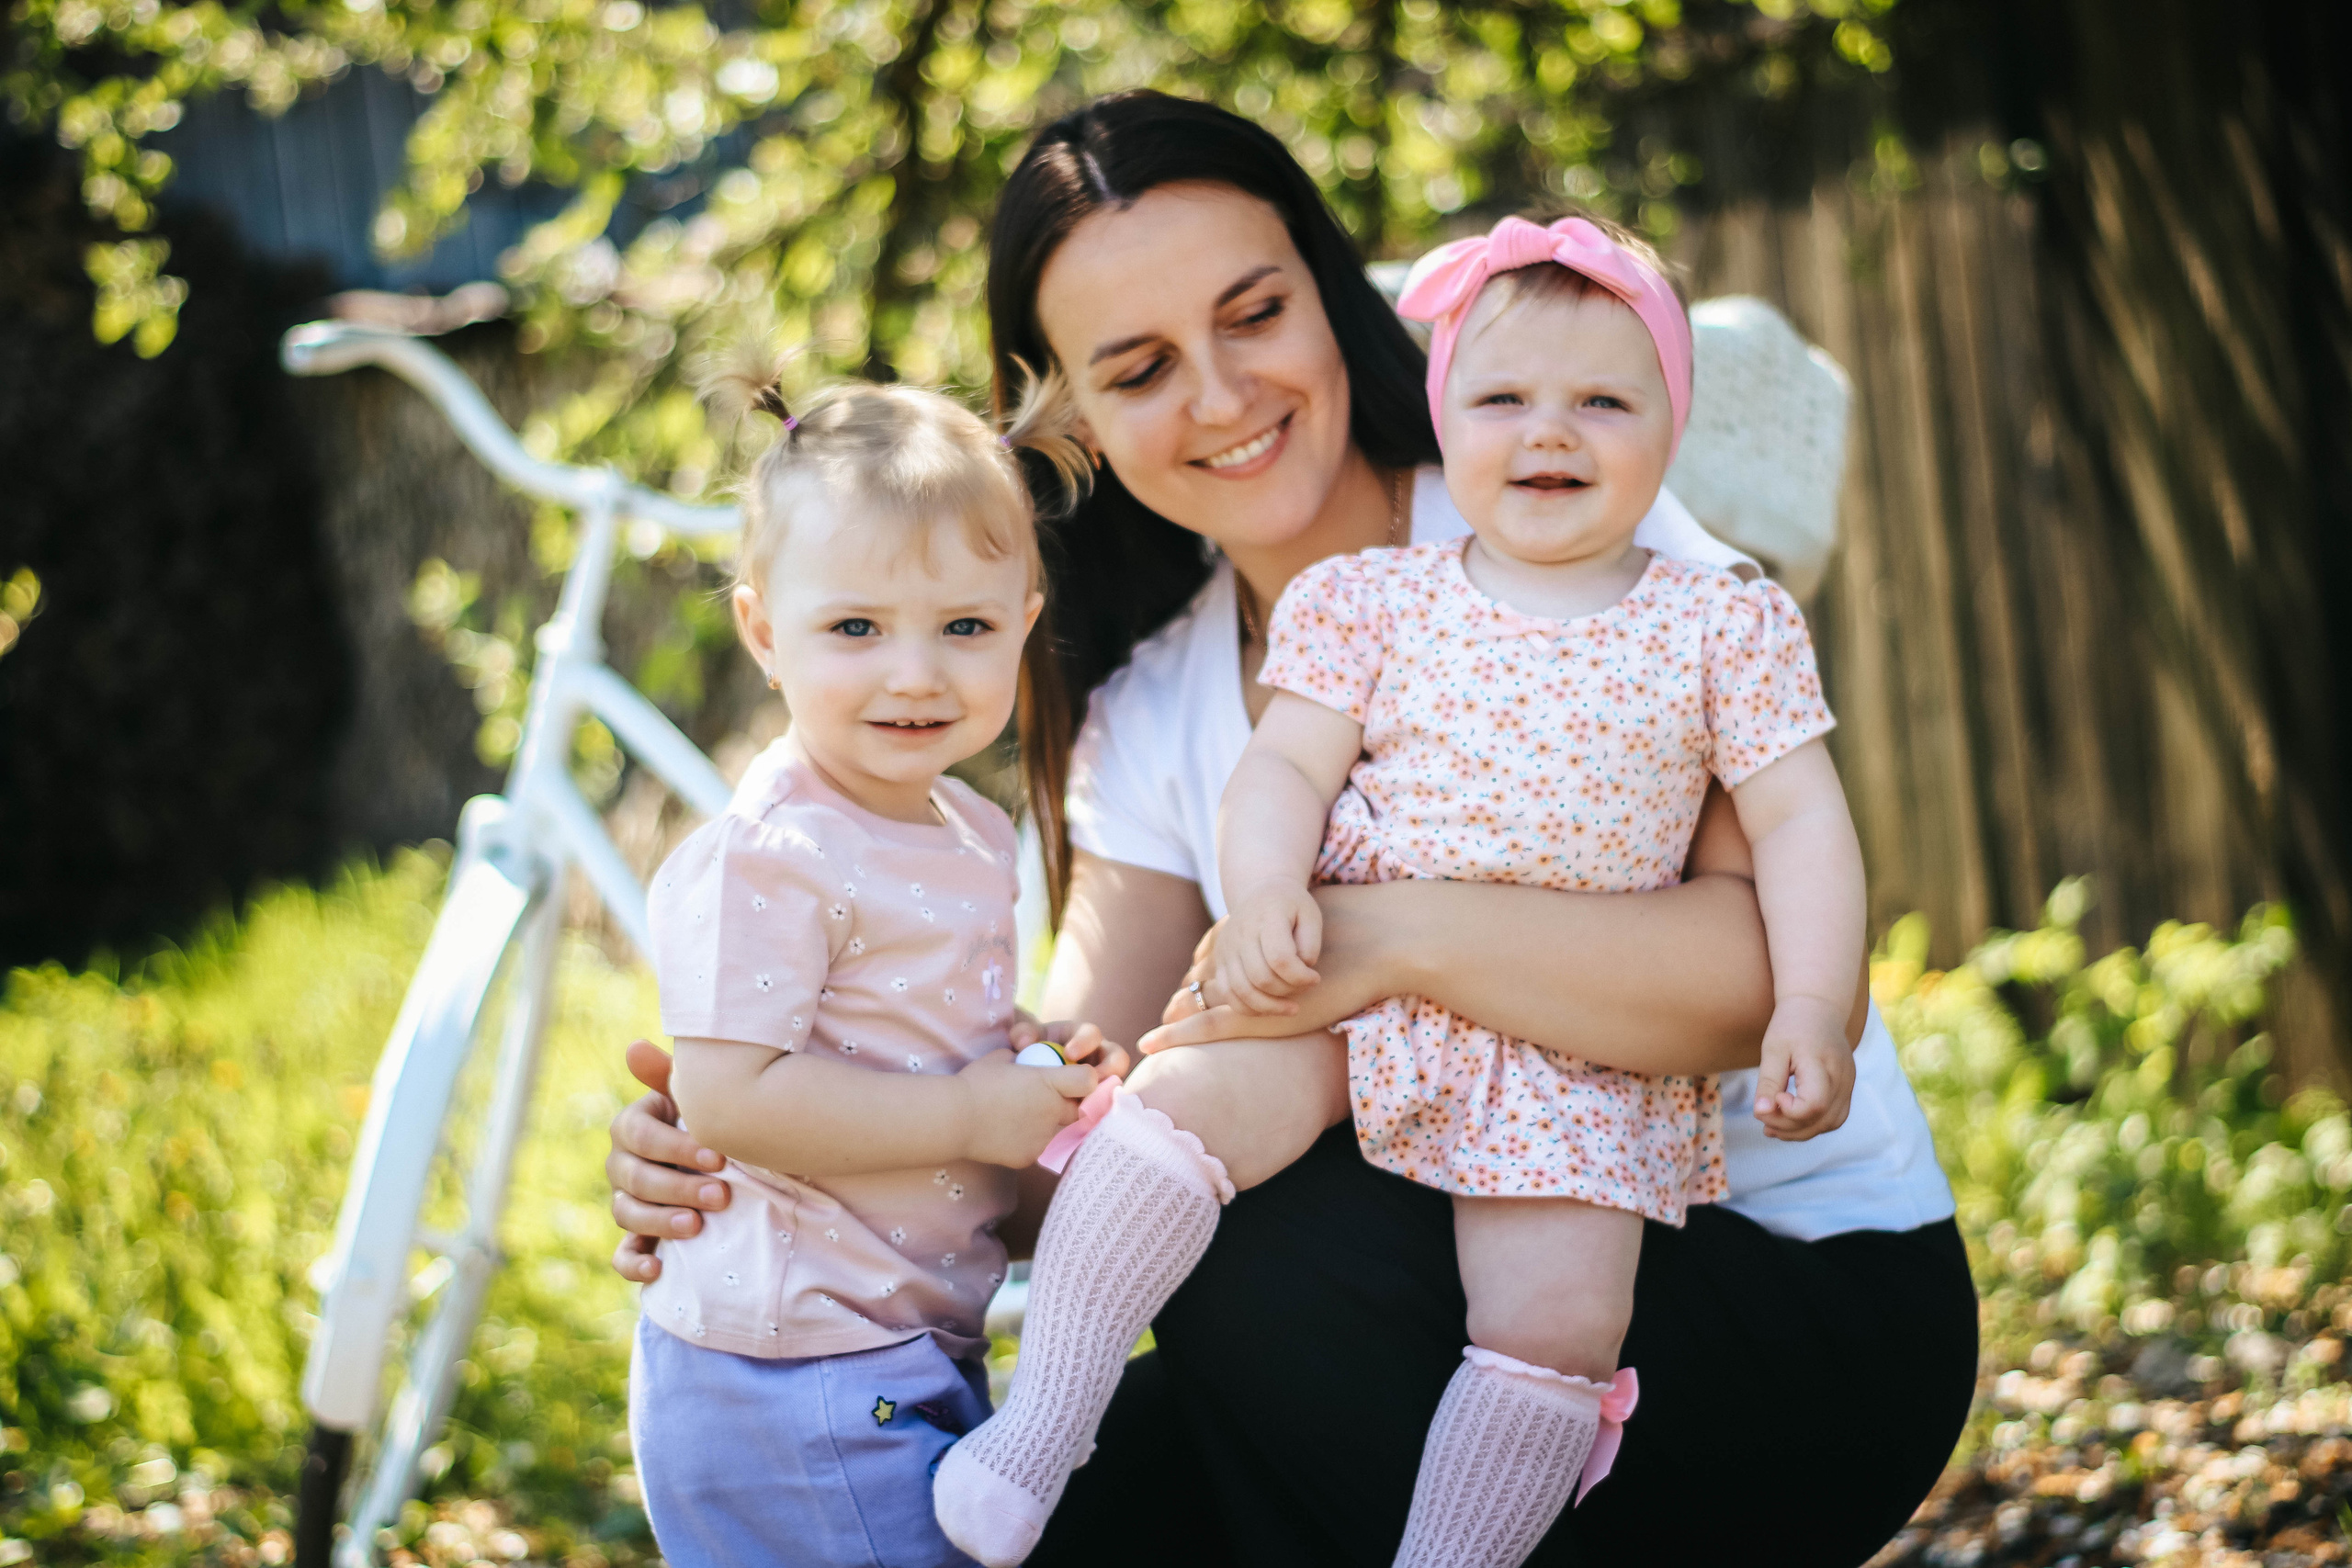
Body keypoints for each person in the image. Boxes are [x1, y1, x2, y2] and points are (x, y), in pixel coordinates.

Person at [607, 90, 1976, 1568]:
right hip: (1403, 1287)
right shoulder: (1154, 711)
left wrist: (1379, 941)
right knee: (1083, 1456)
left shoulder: (1571, 526)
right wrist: (767, 1128)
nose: (1219, 395)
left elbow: (1744, 982)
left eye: (1253, 313)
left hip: (1781, 1293)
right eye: (1137, 369)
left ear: (1331, 293)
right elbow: (1057, 1127)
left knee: (1242, 1252)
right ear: (1066, 412)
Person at [928, 209, 1871, 1568]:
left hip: (1581, 1058)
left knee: (1556, 1320)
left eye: (1603, 400)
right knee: (1174, 1107)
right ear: (1445, 405)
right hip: (1341, 1009)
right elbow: (1281, 778)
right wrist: (1259, 900)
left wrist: (1815, 1010)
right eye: (1502, 399)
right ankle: (1040, 1428)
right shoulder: (1377, 600)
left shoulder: (1717, 621)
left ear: (1670, 425)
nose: (1549, 432)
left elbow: (1806, 833)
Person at [626, 372, 1126, 1568]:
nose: (915, 674)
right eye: (855, 628)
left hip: (905, 1342)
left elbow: (912, 1027)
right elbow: (731, 1098)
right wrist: (968, 1109)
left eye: (963, 627)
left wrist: (1029, 1061)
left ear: (1023, 618)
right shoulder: (771, 855)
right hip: (789, 1373)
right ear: (763, 632)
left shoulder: (961, 831)